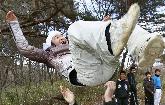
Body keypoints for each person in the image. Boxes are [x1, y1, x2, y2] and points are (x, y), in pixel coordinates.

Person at [6, 5, 141, 86]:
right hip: (82, 74)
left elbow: (87, 39)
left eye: (61, 35)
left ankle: (142, 44)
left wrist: (103, 26)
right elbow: (24, 49)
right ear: (51, 43)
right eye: (57, 37)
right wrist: (14, 24)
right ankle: (109, 37)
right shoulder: (48, 54)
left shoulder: (74, 45)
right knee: (74, 28)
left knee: (111, 32)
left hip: (105, 69)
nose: (62, 38)